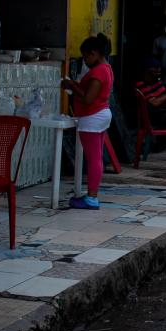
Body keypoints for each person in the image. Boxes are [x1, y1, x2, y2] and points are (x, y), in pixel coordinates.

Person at [61, 34, 114, 209]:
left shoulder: (99, 71)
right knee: (96, 157)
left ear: (94, 53)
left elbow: (87, 99)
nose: (85, 61)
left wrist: (71, 86)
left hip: (92, 116)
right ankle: (92, 194)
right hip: (100, 114)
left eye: (86, 57)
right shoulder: (107, 68)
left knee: (93, 159)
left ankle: (92, 197)